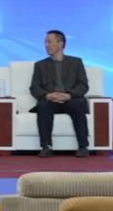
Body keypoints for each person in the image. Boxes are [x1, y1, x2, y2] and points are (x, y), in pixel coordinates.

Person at [30, 29, 90, 157]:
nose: (46, 45)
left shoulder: (76, 62)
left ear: (60, 43)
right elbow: (34, 87)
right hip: (50, 100)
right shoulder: (40, 65)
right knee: (43, 105)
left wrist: (69, 95)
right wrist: (47, 95)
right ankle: (46, 146)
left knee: (78, 104)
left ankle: (83, 146)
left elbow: (83, 85)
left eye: (49, 42)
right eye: (45, 42)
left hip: (70, 99)